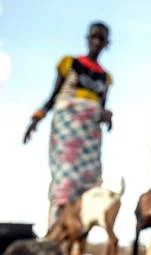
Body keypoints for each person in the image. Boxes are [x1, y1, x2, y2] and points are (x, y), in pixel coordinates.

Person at [23, 21, 114, 227]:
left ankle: (75, 237)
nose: (97, 42)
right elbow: (53, 96)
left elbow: (101, 107)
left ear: (107, 43)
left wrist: (106, 118)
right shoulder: (70, 63)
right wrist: (36, 119)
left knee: (89, 184)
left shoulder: (105, 78)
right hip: (67, 129)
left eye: (102, 39)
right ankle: (56, 229)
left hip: (90, 135)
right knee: (65, 178)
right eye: (94, 37)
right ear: (88, 38)